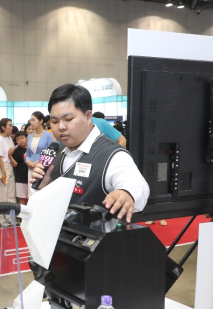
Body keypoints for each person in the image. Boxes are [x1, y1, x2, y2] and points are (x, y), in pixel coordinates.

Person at [31, 84, 149, 223]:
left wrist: (127, 192)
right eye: (55, 121)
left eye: (68, 119)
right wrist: (43, 189)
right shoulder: (57, 153)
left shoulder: (112, 154)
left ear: (88, 116)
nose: (61, 127)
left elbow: (134, 182)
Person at [26, 111, 55, 196]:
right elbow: (28, 153)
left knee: (41, 193)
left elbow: (51, 153)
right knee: (31, 194)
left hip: (43, 169)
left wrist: (38, 161)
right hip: (31, 168)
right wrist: (28, 161)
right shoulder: (30, 136)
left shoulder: (48, 135)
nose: (31, 122)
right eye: (31, 120)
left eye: (33, 120)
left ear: (41, 121)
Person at [0, 118, 16, 226]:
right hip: (2, 167)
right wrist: (3, 172)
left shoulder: (9, 138)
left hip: (9, 166)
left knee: (11, 194)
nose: (11, 127)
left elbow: (10, 152)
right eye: (9, 125)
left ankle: (10, 219)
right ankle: (0, 219)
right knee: (2, 195)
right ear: (3, 127)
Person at [10, 131, 29, 206]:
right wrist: (10, 156)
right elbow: (15, 165)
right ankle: (22, 214)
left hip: (30, 177)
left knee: (30, 198)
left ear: (26, 138)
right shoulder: (16, 151)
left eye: (22, 138)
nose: (20, 140)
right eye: (18, 139)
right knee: (22, 198)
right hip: (20, 178)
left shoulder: (31, 149)